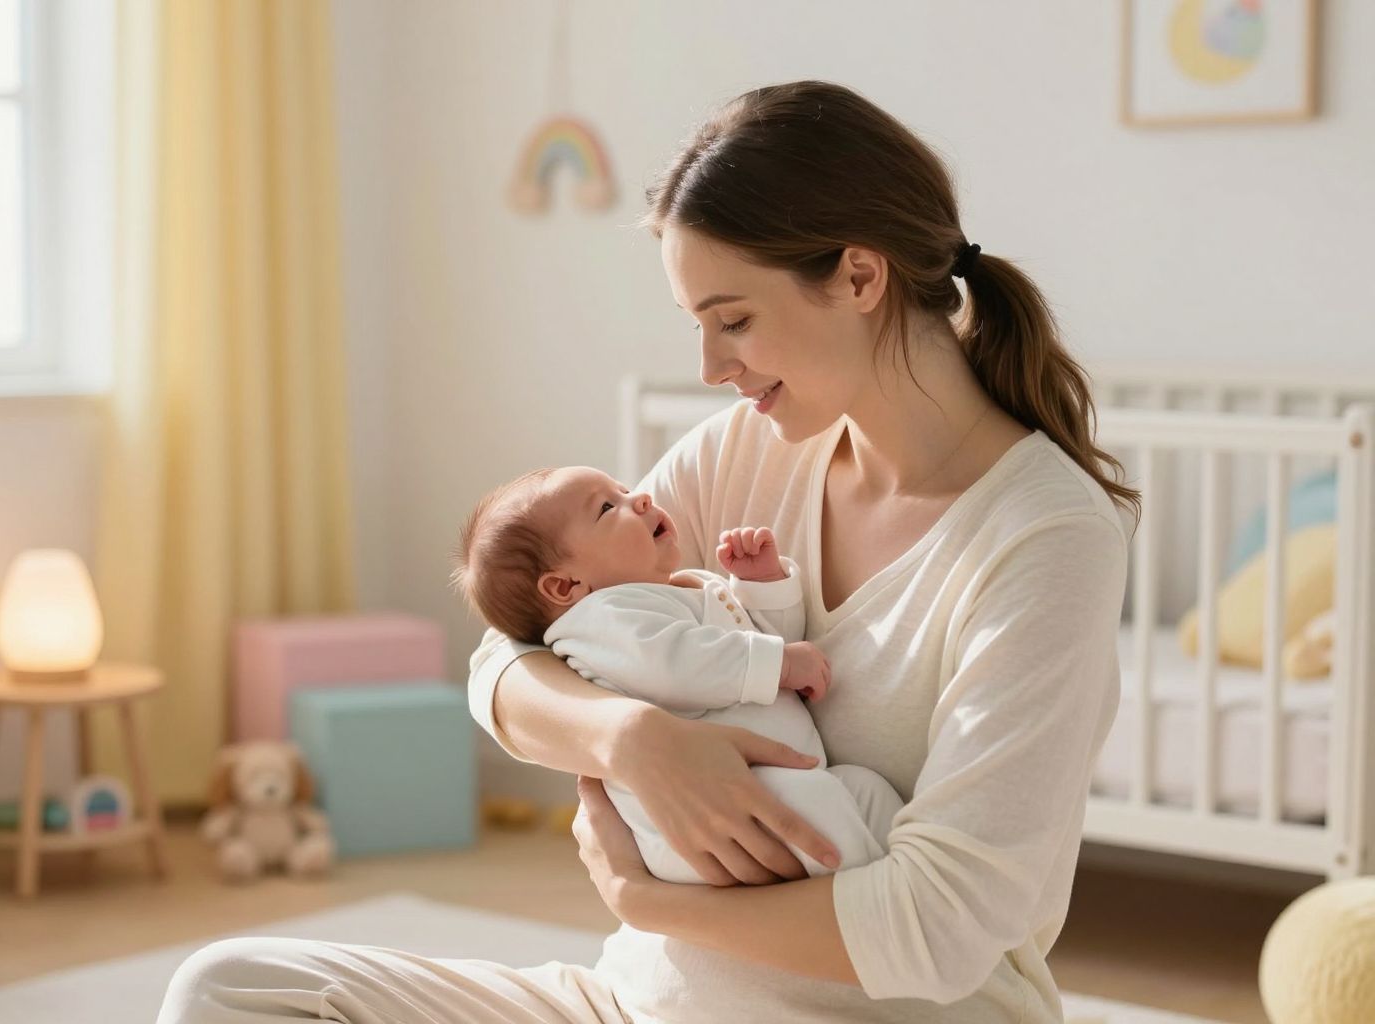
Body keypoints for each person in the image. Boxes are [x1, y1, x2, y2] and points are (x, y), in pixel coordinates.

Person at [157, 78, 1137, 1024]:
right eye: (698, 326)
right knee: (232, 989)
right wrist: (632, 739)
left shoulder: (1046, 536)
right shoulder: (746, 450)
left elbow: (941, 928)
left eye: (734, 320)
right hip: (634, 1004)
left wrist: (647, 901)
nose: (710, 367)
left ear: (859, 276)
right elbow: (507, 657)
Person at [448, 463, 903, 885]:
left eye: (625, 489)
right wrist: (779, 663)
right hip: (702, 818)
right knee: (823, 807)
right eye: (607, 507)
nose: (641, 498)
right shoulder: (601, 619)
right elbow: (673, 665)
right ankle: (871, 897)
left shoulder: (683, 588)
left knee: (868, 790)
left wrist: (762, 585)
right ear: (565, 585)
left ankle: (898, 880)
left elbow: (764, 644)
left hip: (778, 780)